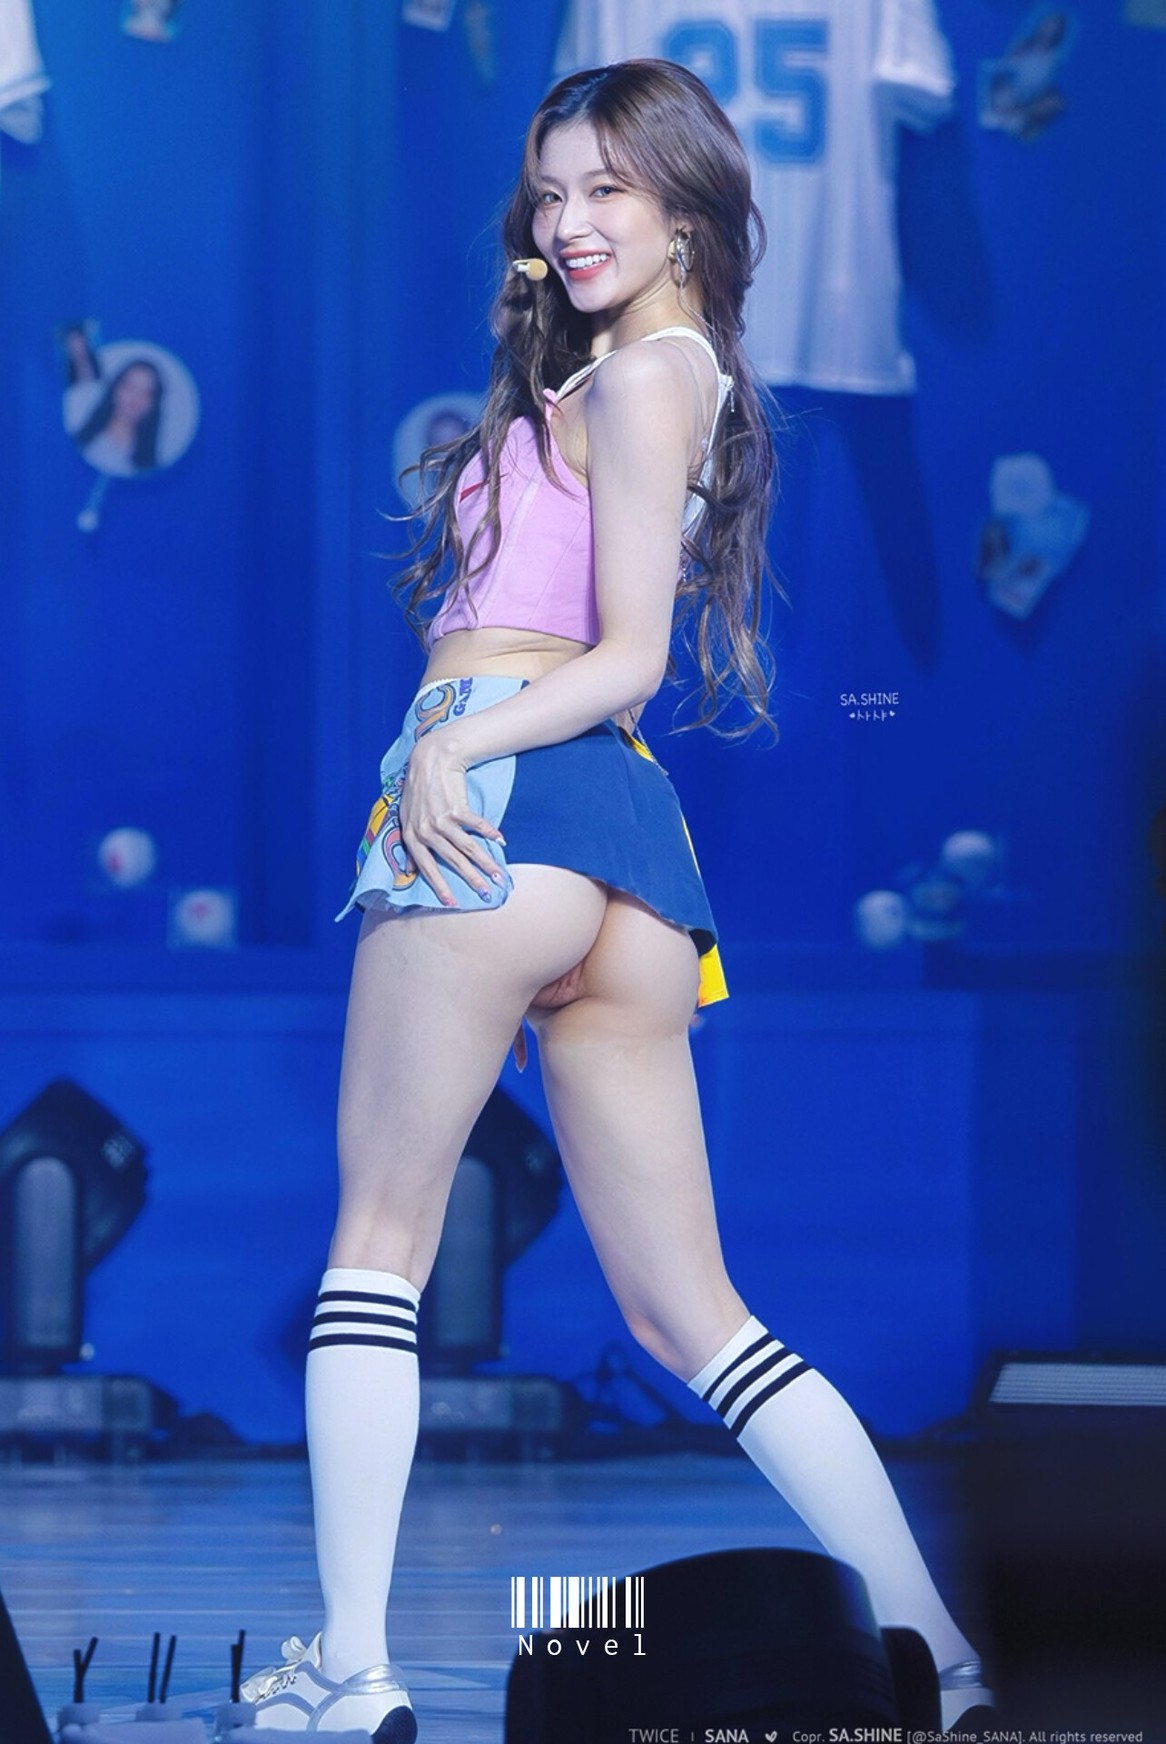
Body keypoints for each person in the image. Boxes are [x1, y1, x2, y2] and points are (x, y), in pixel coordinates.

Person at [243, 59, 990, 1739]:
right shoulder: (651, 369)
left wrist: (450, 749)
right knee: (695, 1316)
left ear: (684, 207)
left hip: (506, 793)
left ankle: (352, 1668)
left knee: (376, 1250)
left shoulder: (649, 373)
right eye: (550, 191)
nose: (570, 220)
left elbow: (631, 656)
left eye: (607, 188)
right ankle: (937, 1653)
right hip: (626, 856)